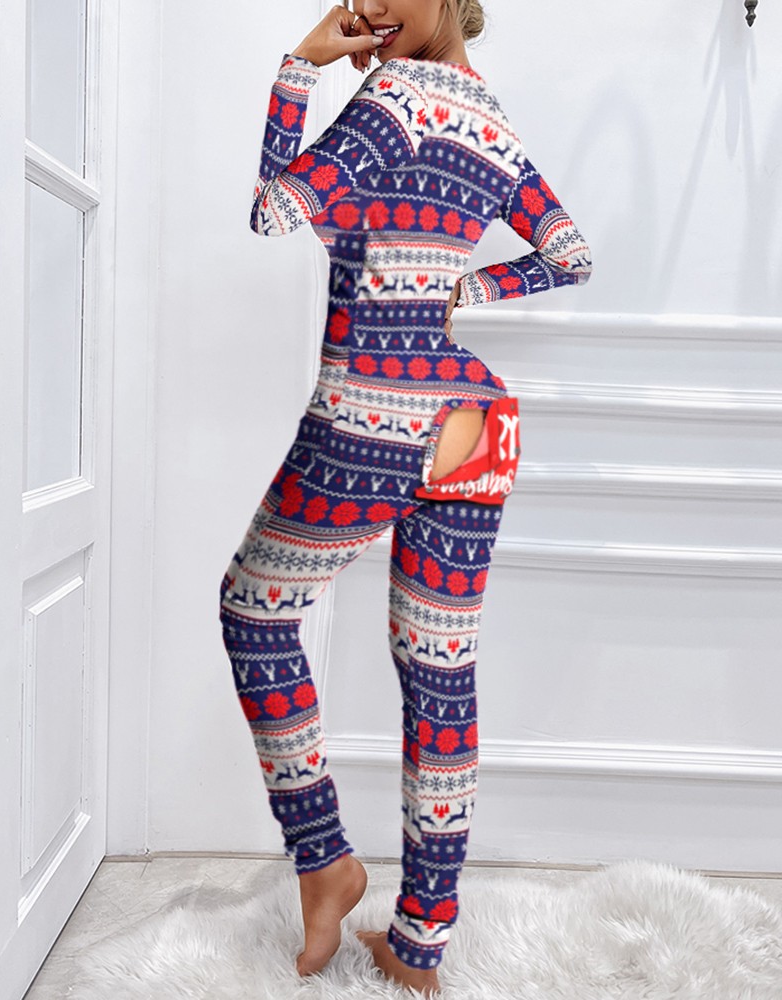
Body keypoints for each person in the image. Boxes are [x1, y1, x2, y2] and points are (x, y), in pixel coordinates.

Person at [218, 1, 592, 994]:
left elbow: (273, 209)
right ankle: (422, 943)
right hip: (476, 420)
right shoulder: (492, 119)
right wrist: (461, 294)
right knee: (440, 673)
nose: (370, 5)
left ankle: (324, 860)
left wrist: (300, 66)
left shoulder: (390, 101)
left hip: (373, 416)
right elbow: (569, 253)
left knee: (253, 612)